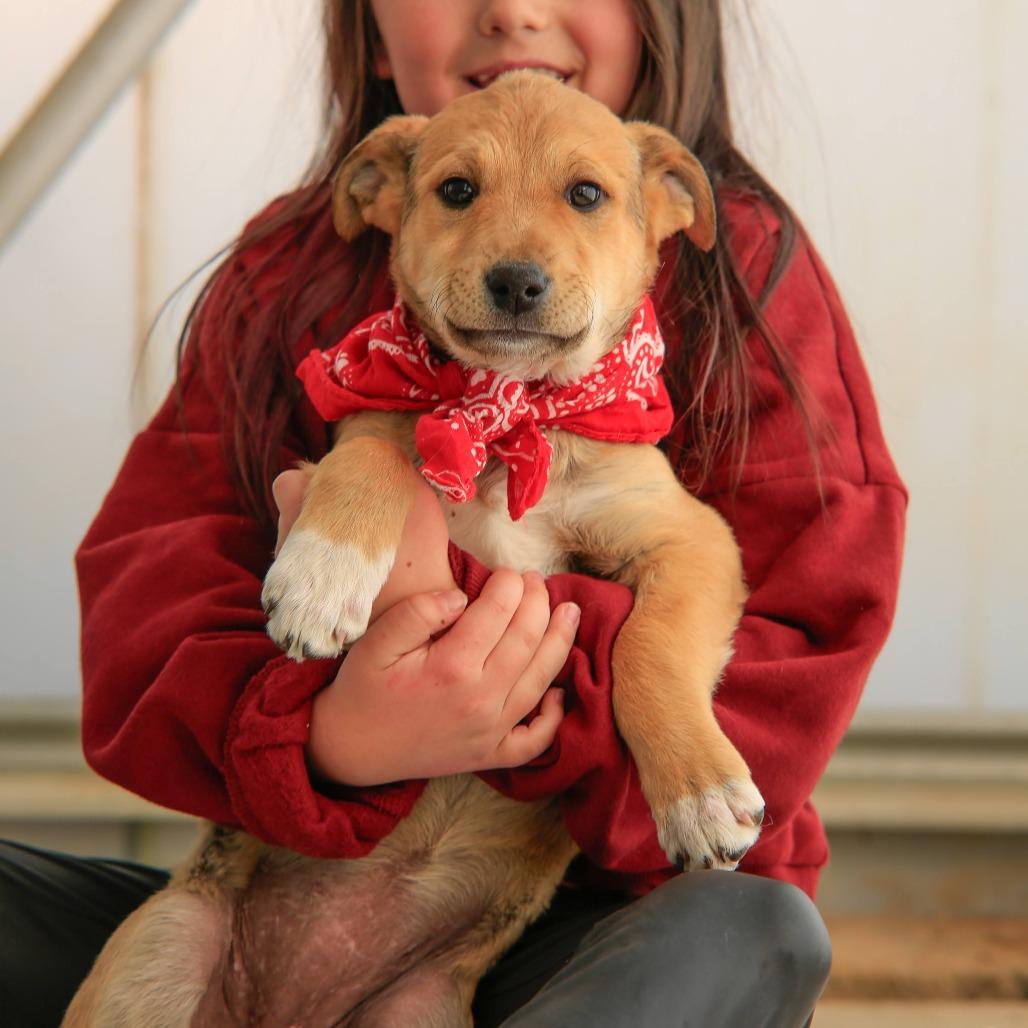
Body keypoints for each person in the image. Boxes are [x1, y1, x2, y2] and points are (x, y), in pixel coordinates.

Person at [0, 1, 907, 1025]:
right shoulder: (285, 280)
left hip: (561, 922)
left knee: (750, 930)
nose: (511, 7)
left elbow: (781, 615)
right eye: (460, 190)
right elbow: (145, 589)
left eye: (580, 194)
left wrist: (517, 663)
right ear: (382, 192)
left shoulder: (748, 277)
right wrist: (328, 734)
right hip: (258, 889)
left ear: (665, 207)